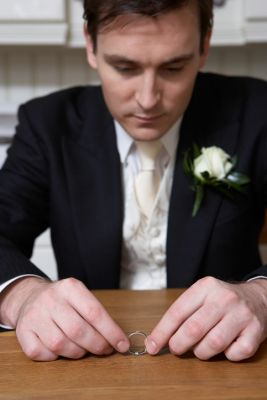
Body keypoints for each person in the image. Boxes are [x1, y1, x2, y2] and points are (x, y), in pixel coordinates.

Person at [0, 0, 267, 362]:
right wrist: (21, 295)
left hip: (224, 364)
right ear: (91, 45)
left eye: (173, 67)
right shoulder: (48, 125)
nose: (148, 99)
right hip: (88, 367)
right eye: (124, 67)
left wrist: (260, 296)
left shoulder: (257, 111)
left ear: (204, 46)